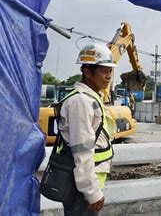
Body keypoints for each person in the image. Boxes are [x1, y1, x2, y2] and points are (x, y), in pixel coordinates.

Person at [57, 43, 117, 215]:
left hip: (85, 184)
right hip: (81, 189)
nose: (108, 77)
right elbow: (81, 150)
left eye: (110, 71)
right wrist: (92, 192)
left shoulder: (90, 98)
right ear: (87, 72)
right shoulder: (81, 102)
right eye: (103, 71)